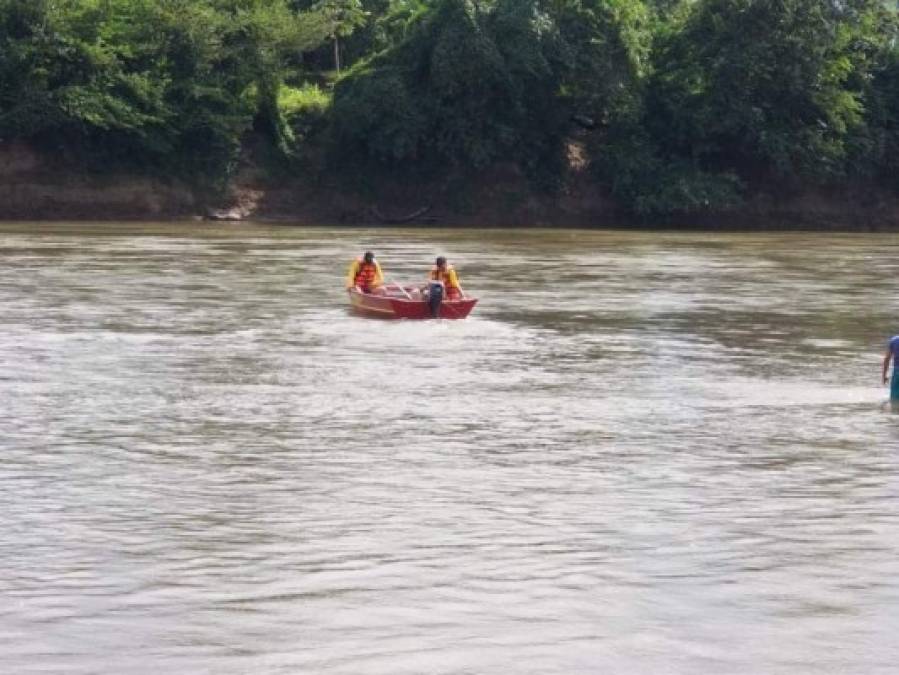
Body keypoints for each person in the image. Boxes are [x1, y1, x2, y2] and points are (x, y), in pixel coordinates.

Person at [882, 334, 899, 401]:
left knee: (894, 399)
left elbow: (887, 359)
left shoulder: (894, 340)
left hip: (897, 372)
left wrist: (884, 375)